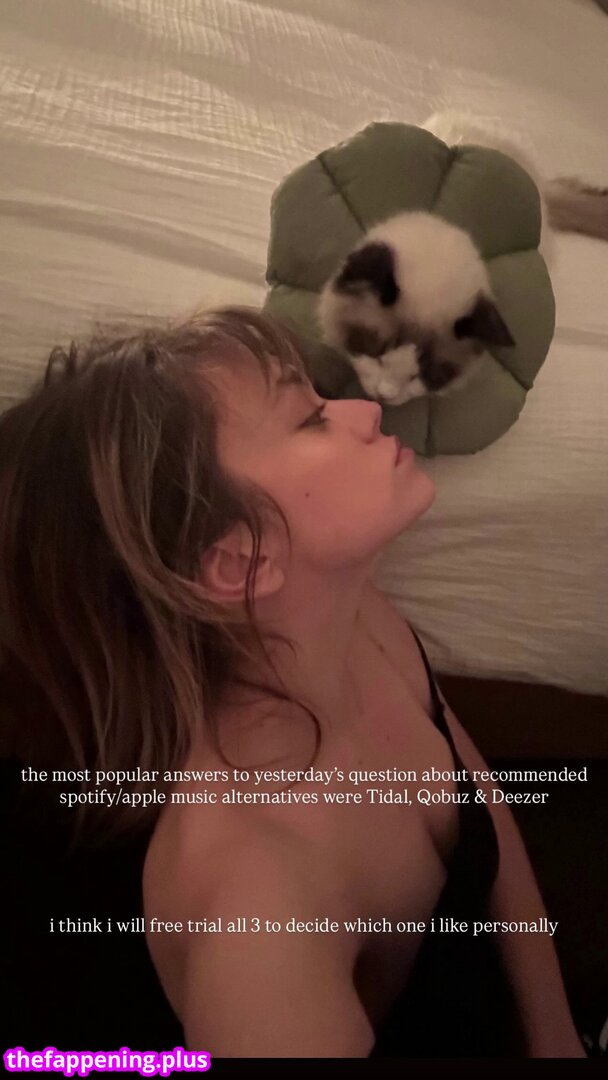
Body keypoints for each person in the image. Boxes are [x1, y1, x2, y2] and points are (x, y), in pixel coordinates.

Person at [0, 307, 585, 1059]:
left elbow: (480, 805)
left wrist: (558, 1040)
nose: (366, 411)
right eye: (310, 419)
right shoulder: (255, 912)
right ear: (239, 561)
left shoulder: (351, 613)